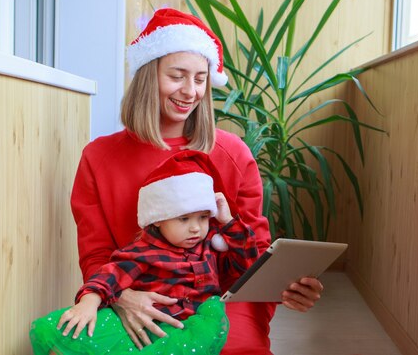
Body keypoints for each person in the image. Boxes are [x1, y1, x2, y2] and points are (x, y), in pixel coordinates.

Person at [69, 8, 324, 354]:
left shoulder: (233, 153)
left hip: (219, 301)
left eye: (201, 79)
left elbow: (254, 255)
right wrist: (125, 299)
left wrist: (284, 286)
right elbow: (97, 253)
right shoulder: (99, 157)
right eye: (176, 76)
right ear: (148, 75)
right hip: (137, 298)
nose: (190, 91)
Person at [30, 150, 257, 354]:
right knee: (71, 330)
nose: (195, 228)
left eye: (203, 217)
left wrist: (227, 221)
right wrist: (88, 302)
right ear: (157, 220)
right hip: (148, 321)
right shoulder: (145, 252)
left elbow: (247, 266)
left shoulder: (210, 247)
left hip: (189, 328)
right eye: (184, 218)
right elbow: (109, 276)